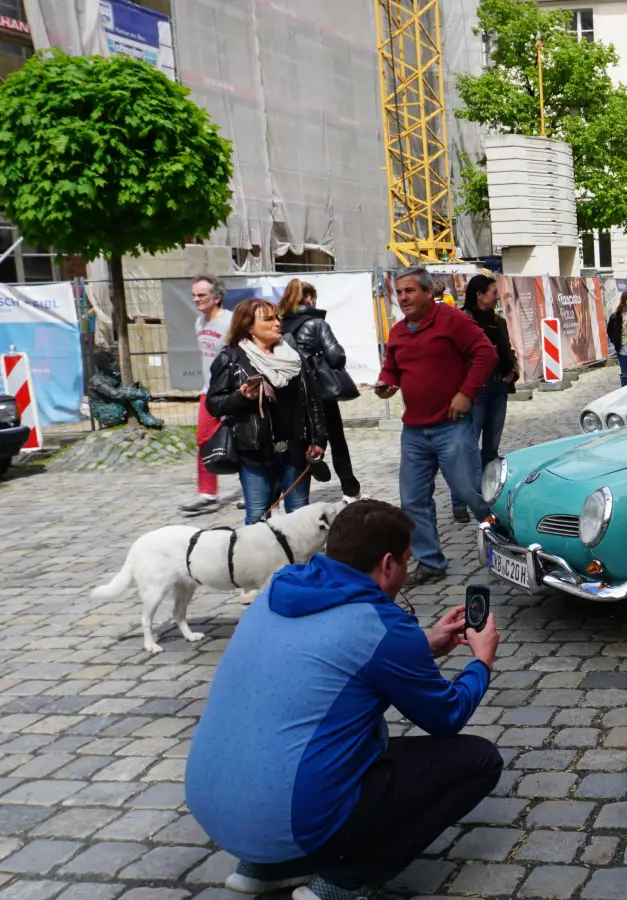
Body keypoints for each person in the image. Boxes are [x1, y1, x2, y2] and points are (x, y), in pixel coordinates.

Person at [185, 499, 502, 900]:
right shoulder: (381, 625)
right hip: (291, 820)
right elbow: (447, 715)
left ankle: (267, 866)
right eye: (406, 560)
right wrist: (482, 661)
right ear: (388, 564)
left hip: (210, 805)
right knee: (478, 761)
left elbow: (333, 661)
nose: (406, 568)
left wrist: (423, 646)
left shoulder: (280, 589)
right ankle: (345, 881)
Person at [373, 268, 497, 585]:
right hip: (414, 431)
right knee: (412, 499)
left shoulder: (452, 320)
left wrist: (466, 394)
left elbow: (486, 353)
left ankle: (506, 543)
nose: (403, 298)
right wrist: (386, 383)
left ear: (429, 292)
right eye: (399, 292)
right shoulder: (399, 331)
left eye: (410, 291)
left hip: (451, 425)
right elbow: (392, 368)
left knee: (470, 492)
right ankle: (430, 562)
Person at [206, 299, 327, 525]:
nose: (277, 323)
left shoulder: (294, 356)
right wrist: (241, 397)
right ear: (249, 327)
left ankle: (298, 561)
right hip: (254, 454)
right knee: (257, 518)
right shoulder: (231, 358)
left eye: (277, 318)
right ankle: (258, 561)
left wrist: (319, 438)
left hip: (295, 451)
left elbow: (313, 401)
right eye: (268, 319)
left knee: (300, 518)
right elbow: (214, 404)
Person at [279, 281, 362, 504]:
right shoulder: (316, 324)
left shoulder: (277, 324)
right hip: (318, 391)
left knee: (292, 440)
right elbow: (336, 356)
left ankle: (281, 492)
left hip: (288, 392)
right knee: (336, 439)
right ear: (307, 298)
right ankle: (350, 489)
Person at [450, 275, 518, 524]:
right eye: (492, 291)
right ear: (478, 294)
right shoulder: (462, 321)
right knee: (466, 448)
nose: (496, 295)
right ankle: (460, 501)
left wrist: (513, 371)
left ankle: (487, 497)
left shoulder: (497, 321)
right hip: (475, 391)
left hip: (498, 387)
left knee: (490, 448)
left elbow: (507, 350)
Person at [181, 276, 229, 516]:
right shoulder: (199, 323)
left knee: (242, 440)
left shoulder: (230, 321)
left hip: (232, 392)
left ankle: (257, 489)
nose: (196, 299)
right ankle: (208, 493)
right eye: (194, 295)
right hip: (208, 392)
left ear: (216, 297)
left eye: (201, 295)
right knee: (203, 439)